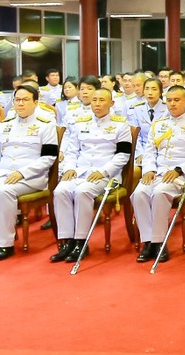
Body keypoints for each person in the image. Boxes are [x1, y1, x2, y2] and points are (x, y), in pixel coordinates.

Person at [0, 84, 58, 263]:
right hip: (3, 174)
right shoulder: (5, 125)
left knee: (4, 191)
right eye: (17, 100)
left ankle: (4, 244)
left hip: (32, 177)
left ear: (35, 102)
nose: (20, 104)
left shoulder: (46, 125)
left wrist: (22, 173)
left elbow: (48, 158)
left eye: (25, 100)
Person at [49, 87, 133, 265]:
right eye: (94, 100)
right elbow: (72, 150)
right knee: (61, 190)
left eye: (102, 100)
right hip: (80, 172)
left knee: (83, 192)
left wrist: (103, 171)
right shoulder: (81, 123)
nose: (97, 104)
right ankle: (66, 241)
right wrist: (70, 167)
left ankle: (81, 241)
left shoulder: (121, 125)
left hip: (106, 175)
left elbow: (123, 156)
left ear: (111, 103)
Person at [130, 84, 185, 266]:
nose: (172, 104)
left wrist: (179, 170)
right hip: (158, 172)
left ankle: (159, 243)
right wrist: (148, 169)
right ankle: (147, 242)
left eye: (177, 100)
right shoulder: (158, 125)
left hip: (182, 175)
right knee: (139, 193)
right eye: (169, 101)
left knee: (159, 193)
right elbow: (150, 152)